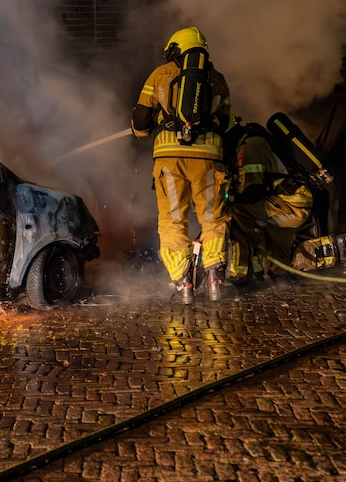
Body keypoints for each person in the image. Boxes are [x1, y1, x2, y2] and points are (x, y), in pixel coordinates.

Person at [130, 26, 234, 304]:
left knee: (173, 220)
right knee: (213, 218)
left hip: (169, 161)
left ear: (176, 49)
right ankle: (213, 280)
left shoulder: (159, 75)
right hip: (210, 160)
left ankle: (184, 283)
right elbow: (224, 124)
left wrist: (148, 127)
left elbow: (140, 123)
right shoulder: (218, 79)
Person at [224, 122, 318, 284]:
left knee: (235, 213)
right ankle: (328, 254)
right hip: (295, 204)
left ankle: (242, 271)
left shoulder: (250, 146)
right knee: (278, 262)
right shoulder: (260, 141)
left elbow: (251, 191)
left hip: (287, 206)